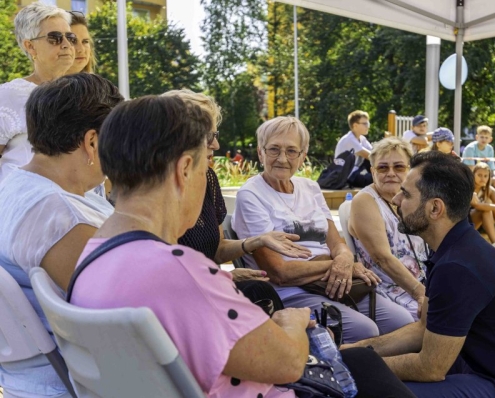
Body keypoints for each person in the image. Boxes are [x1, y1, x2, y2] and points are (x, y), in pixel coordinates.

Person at [70, 96, 417, 398]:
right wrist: (291, 321)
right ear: (184, 170)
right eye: (206, 164)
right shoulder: (179, 270)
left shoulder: (93, 254)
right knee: (365, 365)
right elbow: (288, 362)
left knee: (363, 358)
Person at [342, 151, 495, 398]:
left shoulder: (458, 267)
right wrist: (354, 351)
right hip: (492, 377)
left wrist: (355, 366)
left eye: (406, 194)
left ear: (435, 208)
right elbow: (422, 330)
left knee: (375, 390)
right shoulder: (458, 249)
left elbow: (431, 368)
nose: (395, 199)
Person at [233, 116, 415, 343]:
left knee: (403, 321)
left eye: (291, 151)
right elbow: (279, 272)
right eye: (273, 150)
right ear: (260, 153)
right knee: (364, 330)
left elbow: (337, 243)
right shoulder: (251, 195)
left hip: (332, 284)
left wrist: (344, 259)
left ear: (302, 156)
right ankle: (345, 377)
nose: (282, 158)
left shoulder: (310, 188)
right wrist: (336, 264)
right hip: (292, 293)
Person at [0, 74, 123, 398]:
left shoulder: (18, 187)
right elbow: (128, 301)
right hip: (75, 384)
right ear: (93, 142)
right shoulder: (56, 214)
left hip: (39, 381)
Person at [162, 89, 312, 307]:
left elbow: (216, 248)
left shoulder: (207, 179)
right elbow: (167, 275)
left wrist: (257, 241)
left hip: (207, 286)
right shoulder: (156, 190)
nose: (216, 145)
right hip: (184, 300)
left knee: (260, 291)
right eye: (210, 136)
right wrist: (224, 277)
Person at [348, 137, 428, 320]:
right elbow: (382, 258)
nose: (390, 173)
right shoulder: (365, 201)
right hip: (387, 290)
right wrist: (420, 293)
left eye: (399, 167)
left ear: (410, 170)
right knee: (436, 320)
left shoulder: (412, 198)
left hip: (421, 284)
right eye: (383, 168)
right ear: (372, 171)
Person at [0, 3, 76, 183]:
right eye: (55, 38)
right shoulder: (9, 95)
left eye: (70, 37)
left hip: (74, 205)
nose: (66, 45)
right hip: (23, 204)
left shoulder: (81, 94)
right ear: (30, 46)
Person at [462, 125, 495, 207]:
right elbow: (470, 170)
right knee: (491, 188)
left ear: (490, 139)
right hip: (471, 178)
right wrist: (486, 179)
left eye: (486, 137)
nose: (484, 139)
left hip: (484, 177)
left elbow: (491, 168)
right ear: (477, 137)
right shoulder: (470, 149)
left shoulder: (490, 149)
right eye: (482, 137)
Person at [334, 110, 373, 188]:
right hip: (348, 175)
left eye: (368, 123)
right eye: (365, 124)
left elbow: (375, 152)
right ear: (355, 125)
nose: (368, 126)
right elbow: (370, 156)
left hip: (357, 171)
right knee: (378, 180)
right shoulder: (349, 139)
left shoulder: (362, 139)